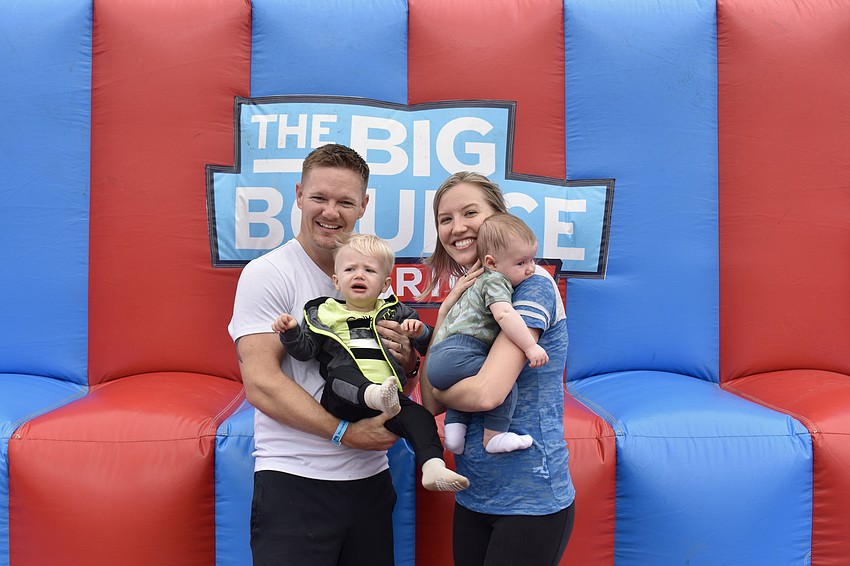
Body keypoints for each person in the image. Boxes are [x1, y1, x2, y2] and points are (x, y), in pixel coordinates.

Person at [228, 143, 419, 566]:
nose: (330, 212)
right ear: (299, 195)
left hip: (370, 479)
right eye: (319, 198)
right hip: (296, 480)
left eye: (344, 201)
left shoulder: (372, 281)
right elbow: (262, 384)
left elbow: (399, 378)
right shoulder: (268, 274)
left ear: (363, 205)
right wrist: (344, 434)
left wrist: (407, 360)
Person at [419, 171, 576, 566]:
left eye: (470, 212)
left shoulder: (532, 284)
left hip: (530, 499)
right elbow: (431, 400)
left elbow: (487, 393)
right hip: (475, 491)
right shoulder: (474, 293)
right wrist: (445, 309)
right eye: (445, 219)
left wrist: (443, 392)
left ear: (497, 217)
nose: (458, 228)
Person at [272, 233, 469, 492]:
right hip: (344, 399)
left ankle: (432, 467)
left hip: (390, 400)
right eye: (350, 269)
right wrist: (290, 332)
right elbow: (305, 351)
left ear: (385, 283)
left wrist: (419, 331)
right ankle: (374, 394)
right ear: (336, 280)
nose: (359, 275)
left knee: (419, 416)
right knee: (342, 372)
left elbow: (431, 345)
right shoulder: (325, 312)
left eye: (369, 270)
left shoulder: (396, 313)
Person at [427, 213, 549, 456]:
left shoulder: (473, 284)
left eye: (532, 260)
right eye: (521, 263)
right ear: (492, 263)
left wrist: (440, 393)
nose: (530, 269)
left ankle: (454, 431)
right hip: (461, 350)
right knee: (502, 383)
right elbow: (504, 315)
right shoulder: (495, 280)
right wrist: (530, 347)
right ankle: (494, 437)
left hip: (439, 358)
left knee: (464, 382)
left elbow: (435, 399)